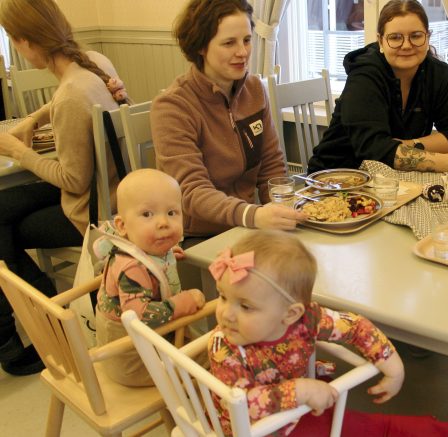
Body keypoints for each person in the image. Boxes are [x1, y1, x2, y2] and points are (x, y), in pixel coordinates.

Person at [0, 0, 129, 376]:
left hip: (91, 211)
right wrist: (34, 120)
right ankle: (39, 312)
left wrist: (19, 152)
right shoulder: (93, 62)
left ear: (25, 43)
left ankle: (42, 317)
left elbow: (73, 180)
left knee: (2, 228)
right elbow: (64, 98)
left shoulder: (73, 93)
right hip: (108, 192)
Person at [207, 230, 405, 435]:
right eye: (223, 296)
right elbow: (243, 406)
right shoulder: (224, 347)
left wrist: (394, 368)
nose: (226, 314)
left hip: (293, 408)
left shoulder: (307, 319)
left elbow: (354, 327)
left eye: (245, 306)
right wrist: (298, 391)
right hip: (248, 429)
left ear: (291, 314)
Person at [152, 0, 304, 247]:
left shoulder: (254, 88)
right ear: (201, 46)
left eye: (246, 39)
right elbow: (191, 192)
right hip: (199, 236)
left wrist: (283, 208)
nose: (243, 52)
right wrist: (252, 215)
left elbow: (270, 166)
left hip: (247, 225)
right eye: (229, 43)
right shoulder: (173, 106)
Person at [307, 0, 448, 174]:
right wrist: (443, 162)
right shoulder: (364, 75)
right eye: (395, 38)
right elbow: (373, 151)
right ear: (380, 41)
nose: (407, 45)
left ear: (427, 37)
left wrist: (409, 145)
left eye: (416, 36)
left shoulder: (436, 72)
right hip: (335, 178)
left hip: (391, 178)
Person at [94, 169, 206, 386]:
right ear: (122, 226)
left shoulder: (139, 251)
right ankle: (206, 414)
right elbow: (139, 317)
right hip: (135, 360)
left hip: (148, 345)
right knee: (216, 356)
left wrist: (162, 259)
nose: (163, 222)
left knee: (203, 341)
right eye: (147, 214)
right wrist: (181, 303)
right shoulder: (132, 268)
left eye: (172, 212)